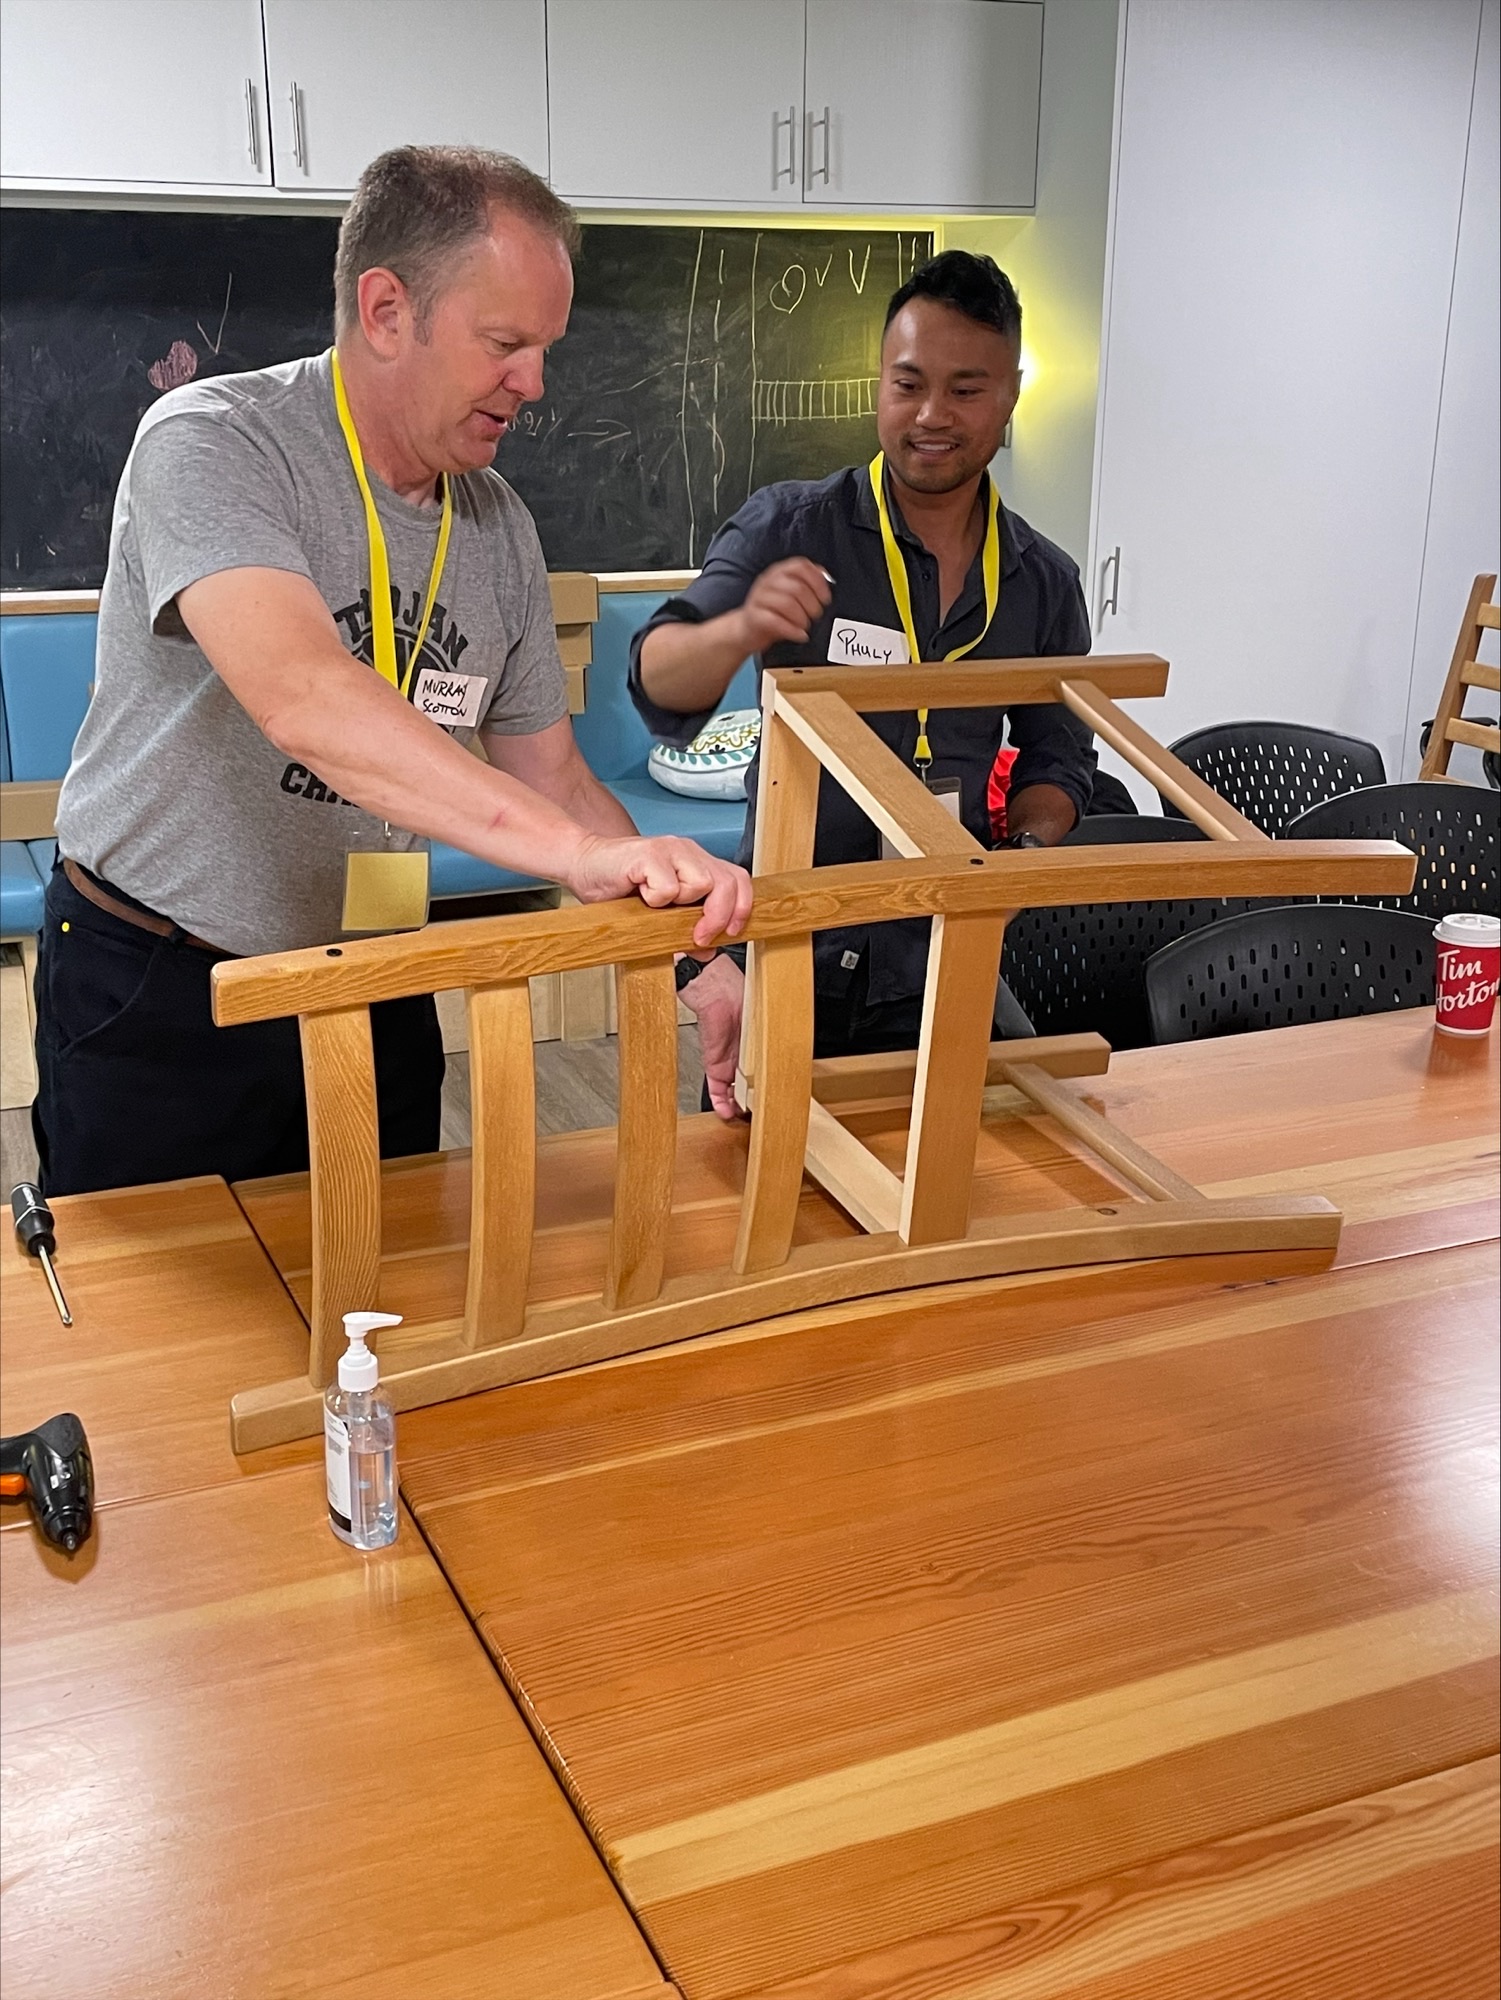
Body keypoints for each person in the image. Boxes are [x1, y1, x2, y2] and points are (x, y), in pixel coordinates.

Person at [36, 145, 751, 1196]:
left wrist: (687, 942)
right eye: (506, 342)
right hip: (162, 985)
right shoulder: (215, 443)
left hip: (374, 973)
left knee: (383, 1306)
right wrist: (571, 855)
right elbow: (304, 695)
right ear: (385, 310)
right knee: (159, 1334)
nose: (535, 383)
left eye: (545, 348)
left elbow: (549, 772)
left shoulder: (496, 525)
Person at [631, 250, 1096, 1116]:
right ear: (878, 383)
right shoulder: (790, 526)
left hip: (946, 948)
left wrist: (1019, 860)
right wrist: (738, 626)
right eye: (907, 383)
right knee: (752, 1208)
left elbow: (1058, 753)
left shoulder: (1042, 578)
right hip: (793, 945)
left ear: (1011, 392)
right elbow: (660, 683)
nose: (930, 416)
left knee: (997, 1168)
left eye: (965, 389)